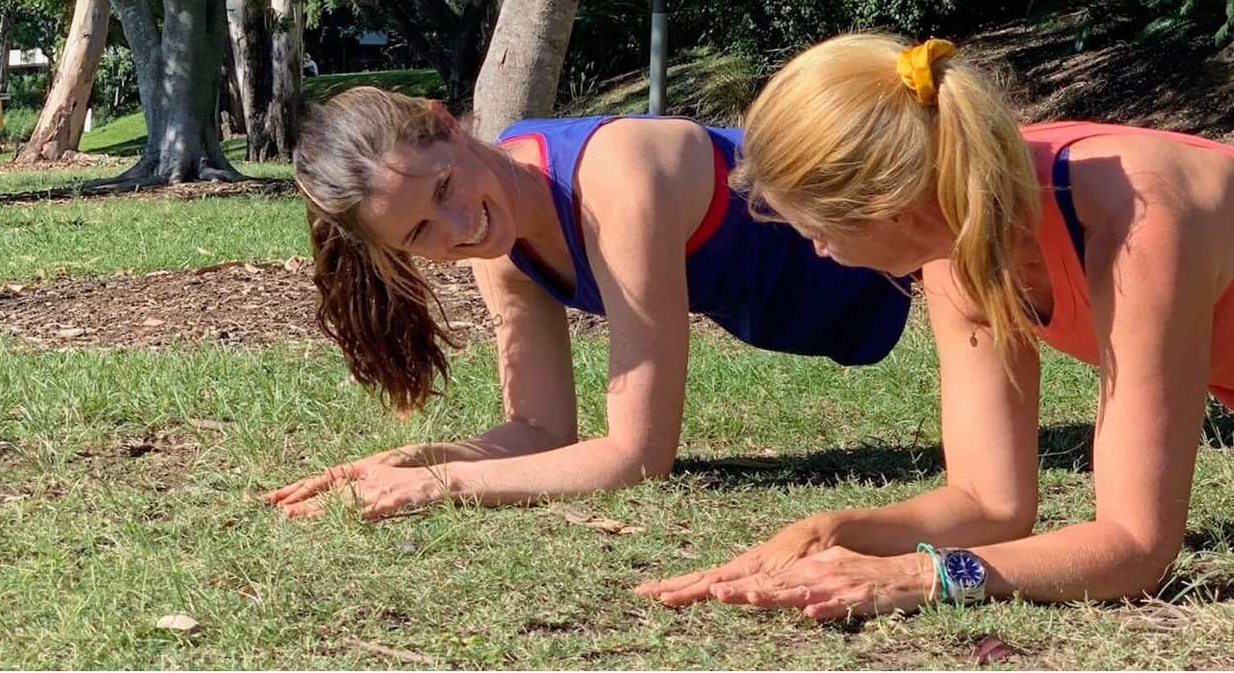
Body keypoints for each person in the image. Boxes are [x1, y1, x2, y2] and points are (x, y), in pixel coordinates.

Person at [637, 32, 1234, 619]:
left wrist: (922, 578)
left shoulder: (1137, 214)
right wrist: (844, 532)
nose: (817, 252)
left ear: (896, 203)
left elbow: (1136, 548)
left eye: (818, 227)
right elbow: (990, 502)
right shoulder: (954, 239)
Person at [263, 87, 911, 519]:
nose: (458, 226)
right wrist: (417, 461)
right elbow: (541, 433)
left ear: (447, 124)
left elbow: (638, 456)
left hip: (911, 217)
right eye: (419, 234)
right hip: (854, 299)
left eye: (444, 188)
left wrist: (445, 487)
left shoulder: (617, 182)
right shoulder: (502, 244)